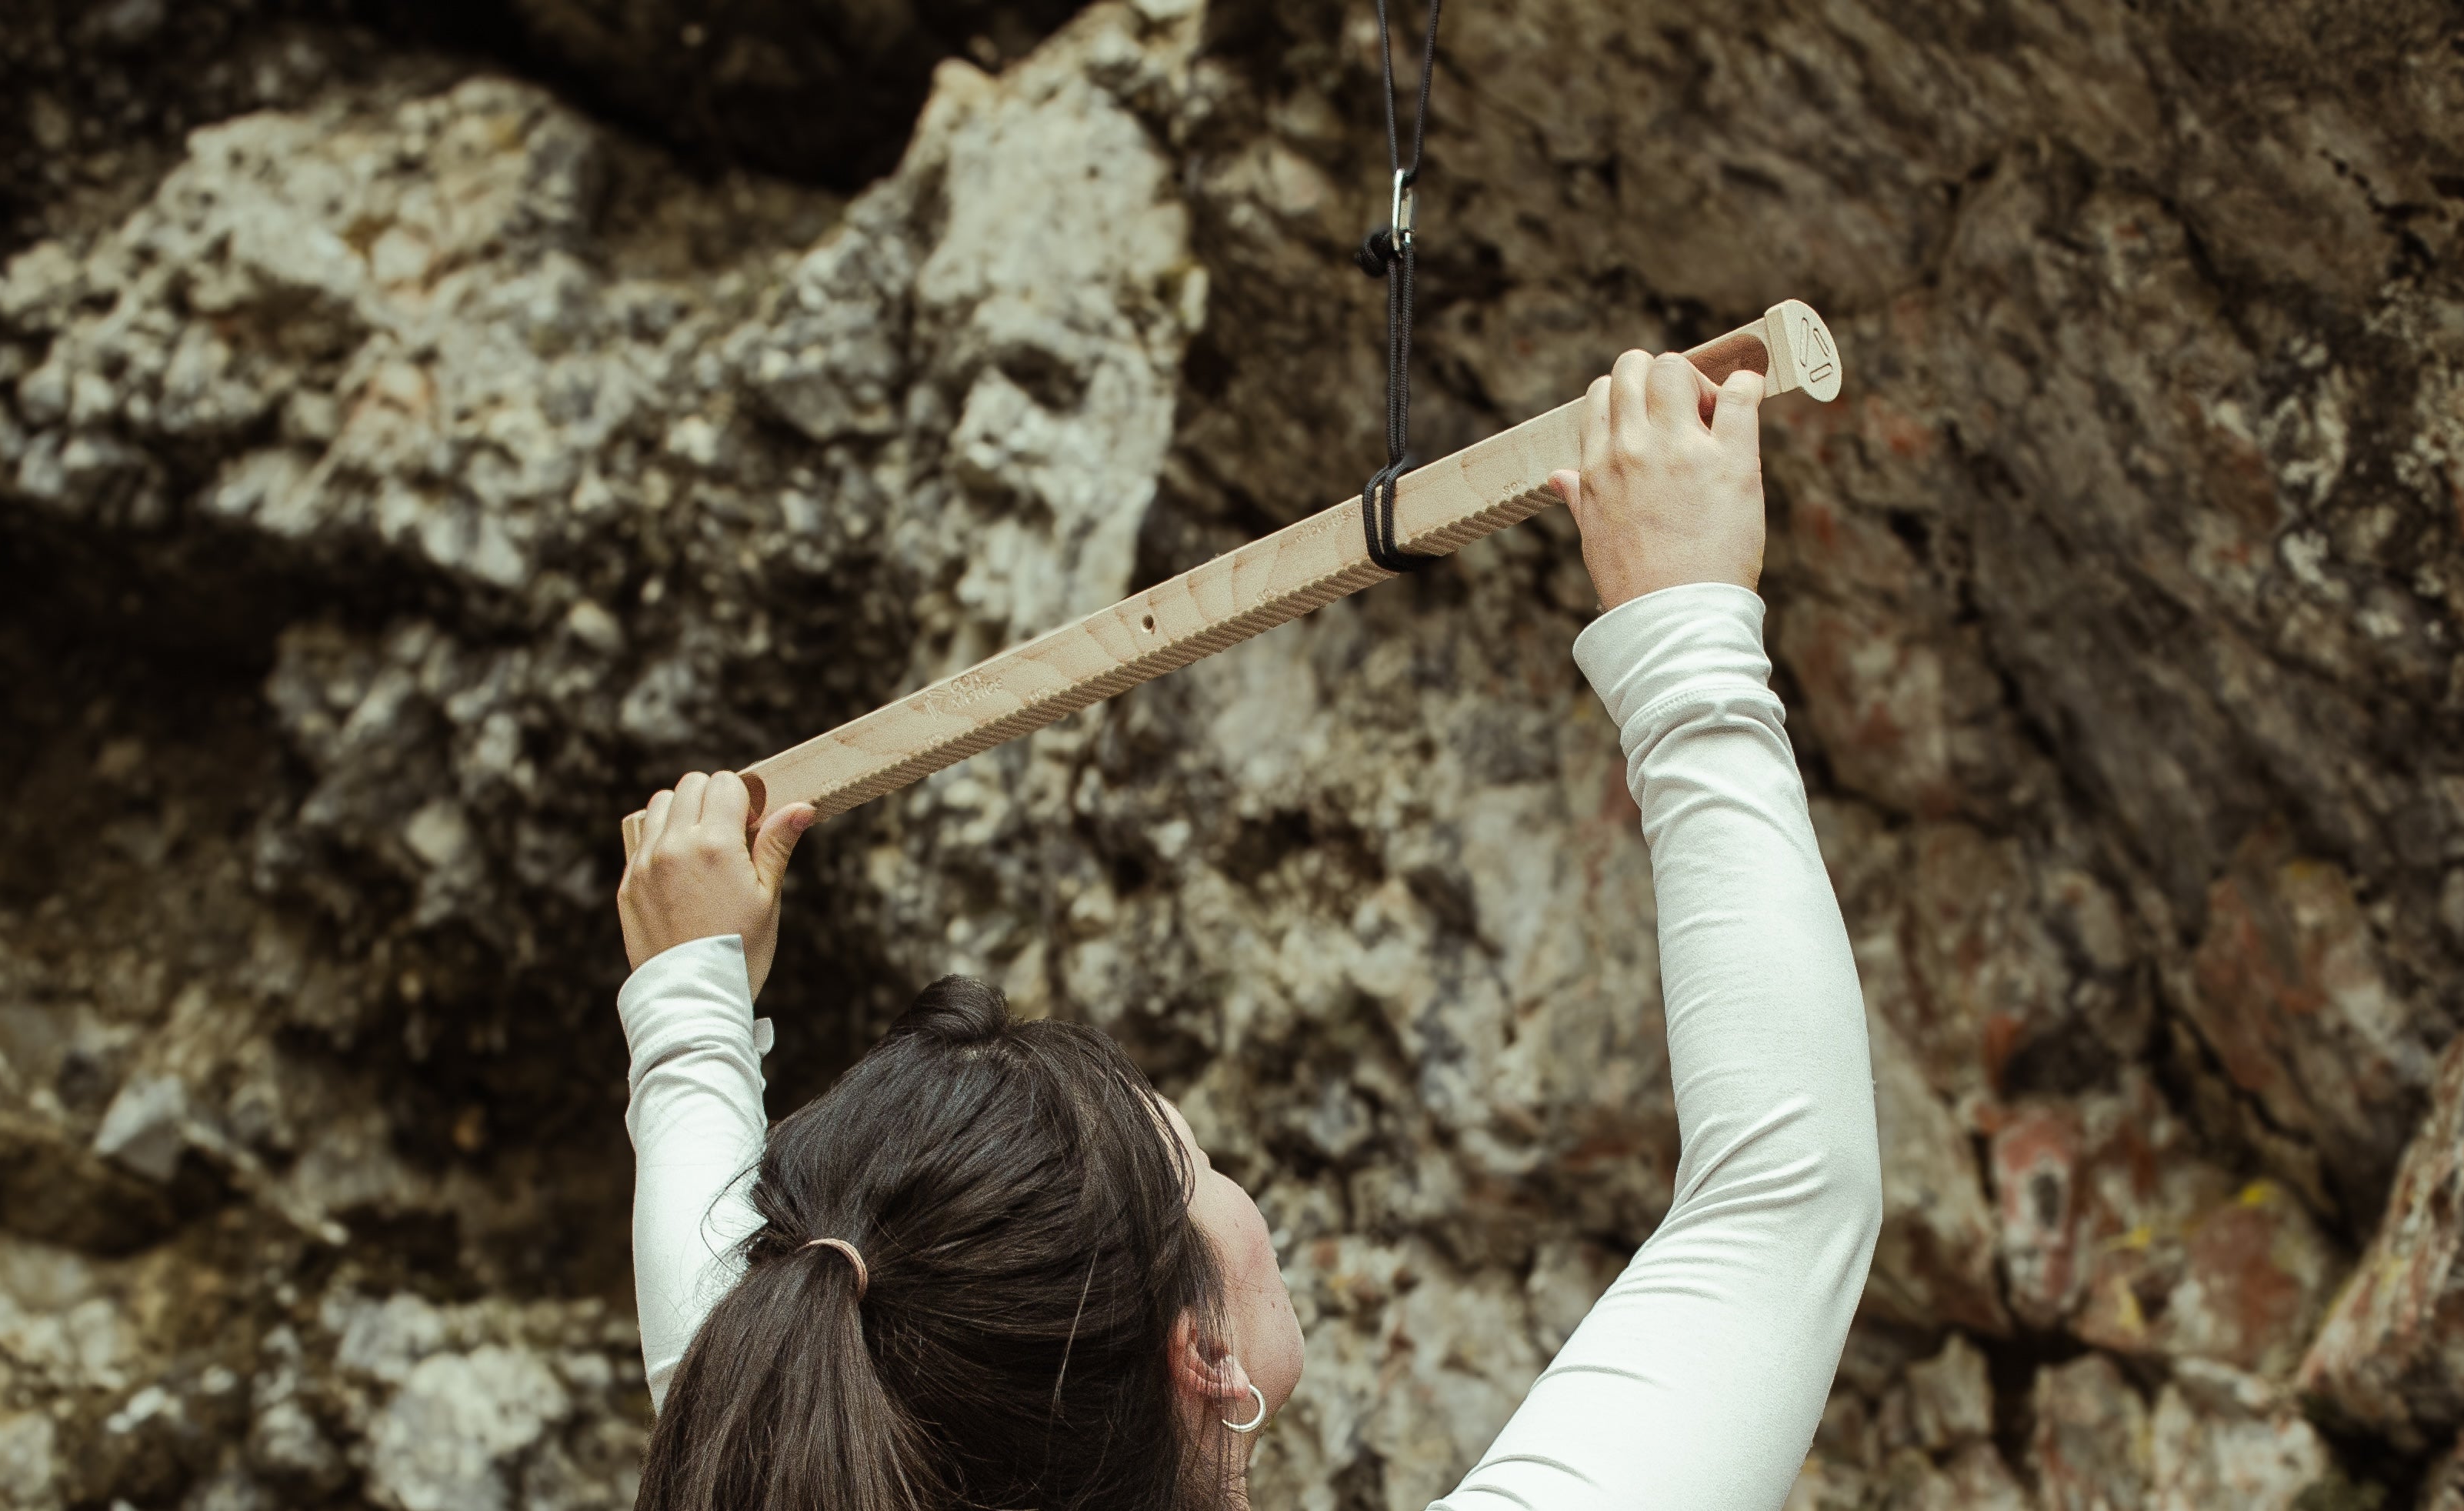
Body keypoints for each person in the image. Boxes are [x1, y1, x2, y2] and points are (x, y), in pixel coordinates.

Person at [611, 349, 1882, 1510]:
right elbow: (1777, 1201)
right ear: (1205, 1356)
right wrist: (1687, 645)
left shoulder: (776, 1417)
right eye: (1202, 1170)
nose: (1236, 1189)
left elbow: (740, 1323)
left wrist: (689, 989)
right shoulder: (762, 1419)